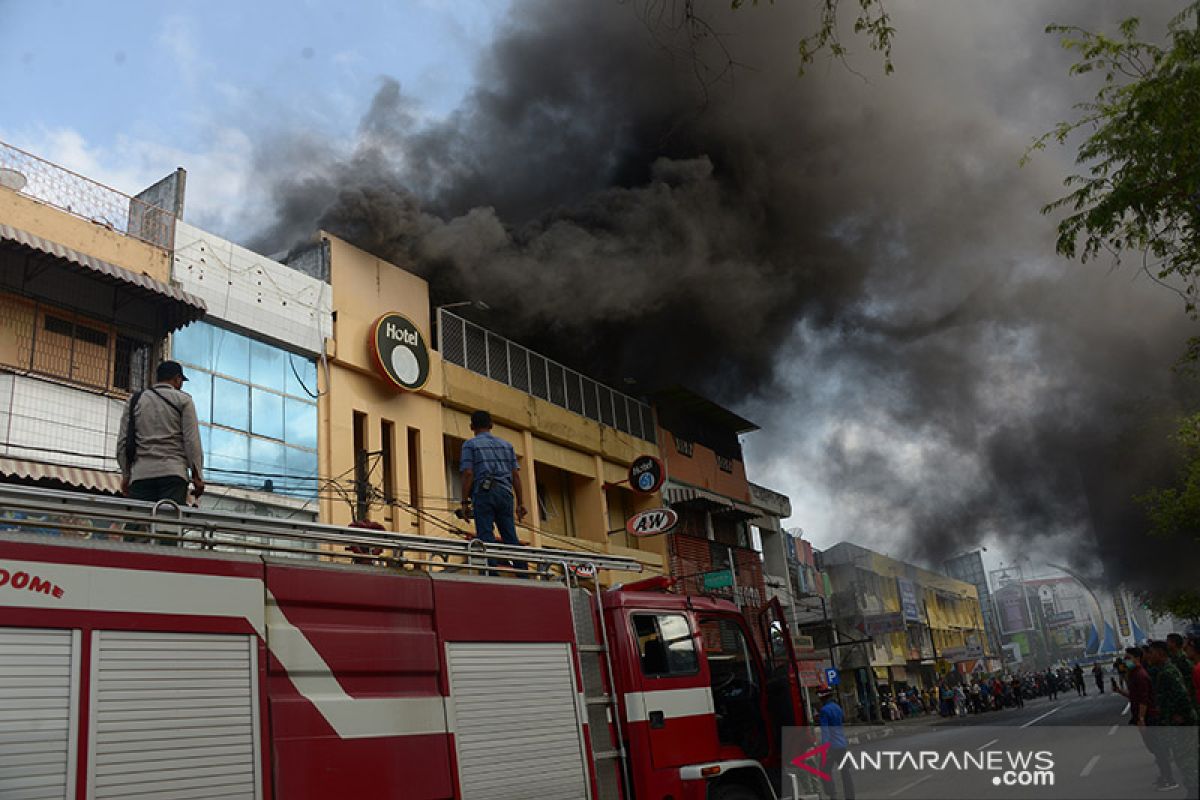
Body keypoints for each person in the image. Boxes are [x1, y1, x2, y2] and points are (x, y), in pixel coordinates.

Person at [116, 360, 205, 508]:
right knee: (167, 527)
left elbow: (122, 442)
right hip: (173, 474)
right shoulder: (184, 400)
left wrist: (126, 474)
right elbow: (191, 441)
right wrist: (198, 477)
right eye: (181, 380)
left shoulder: (134, 400)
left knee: (138, 525)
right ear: (177, 378)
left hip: (141, 475)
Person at [459, 410, 528, 574]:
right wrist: (521, 503)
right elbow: (516, 475)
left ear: (471, 427)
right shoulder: (507, 446)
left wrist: (464, 502)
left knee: (485, 534)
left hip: (484, 492)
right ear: (491, 426)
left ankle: (490, 572)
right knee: (510, 535)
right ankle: (524, 573)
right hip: (505, 493)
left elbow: (468, 473)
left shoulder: (470, 445)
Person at [1120, 647, 1177, 792]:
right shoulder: (1134, 674)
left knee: (1158, 748)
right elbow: (1135, 697)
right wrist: (1120, 691)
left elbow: (1144, 700)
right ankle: (1164, 776)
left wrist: (1141, 718)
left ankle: (1169, 778)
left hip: (1149, 717)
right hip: (1145, 717)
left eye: (1128, 657)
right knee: (1154, 748)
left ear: (1136, 658)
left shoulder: (1140, 675)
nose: (1125, 661)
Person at [1146, 640, 1197, 796]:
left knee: (1186, 760)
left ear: (1160, 653)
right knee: (1182, 759)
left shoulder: (1168, 672)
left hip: (1181, 726)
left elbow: (1183, 696)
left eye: (1152, 652)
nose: (1149, 656)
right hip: (1174, 724)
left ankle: (1194, 791)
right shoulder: (1162, 671)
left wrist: (1181, 717)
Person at [818, 690, 855, 800]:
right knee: (845, 772)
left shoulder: (824, 711)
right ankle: (850, 796)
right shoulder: (837, 708)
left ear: (823, 698)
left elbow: (825, 731)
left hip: (831, 746)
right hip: (841, 744)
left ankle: (832, 794)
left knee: (824, 770)